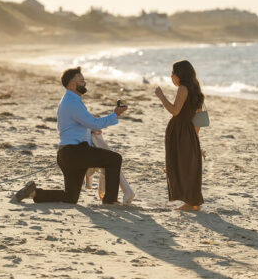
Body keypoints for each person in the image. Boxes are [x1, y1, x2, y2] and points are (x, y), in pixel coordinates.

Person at [11, 67, 128, 205]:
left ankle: (33, 192)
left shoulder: (70, 100)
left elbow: (75, 126)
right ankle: (110, 201)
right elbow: (95, 123)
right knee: (114, 159)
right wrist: (115, 114)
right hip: (75, 153)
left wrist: (89, 132)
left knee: (70, 197)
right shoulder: (72, 102)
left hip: (67, 155)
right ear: (73, 84)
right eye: (82, 80)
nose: (85, 83)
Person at [154, 60, 205, 211]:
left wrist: (161, 96)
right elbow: (200, 119)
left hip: (179, 131)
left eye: (172, 73)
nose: (171, 77)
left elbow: (175, 111)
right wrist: (194, 138)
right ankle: (193, 202)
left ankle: (190, 203)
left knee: (181, 165)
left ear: (180, 75)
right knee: (189, 165)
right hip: (189, 131)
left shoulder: (183, 89)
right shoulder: (197, 91)